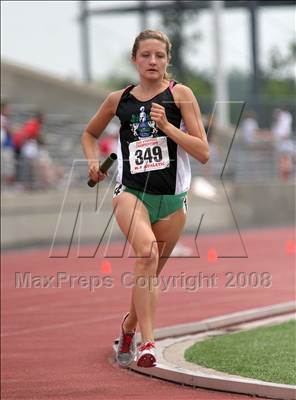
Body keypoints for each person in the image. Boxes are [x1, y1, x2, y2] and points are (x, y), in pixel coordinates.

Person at [81, 30, 209, 368]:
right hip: (131, 193)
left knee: (148, 273)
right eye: (145, 55)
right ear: (134, 59)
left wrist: (168, 126)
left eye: (159, 56)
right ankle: (147, 344)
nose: (153, 61)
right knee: (147, 255)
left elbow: (203, 152)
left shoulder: (180, 95)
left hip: (172, 201)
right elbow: (90, 133)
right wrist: (94, 162)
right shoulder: (118, 99)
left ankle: (127, 327)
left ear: (168, 60)